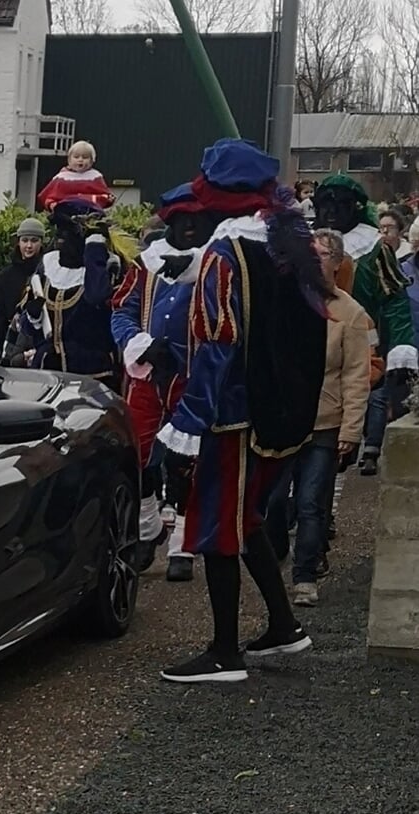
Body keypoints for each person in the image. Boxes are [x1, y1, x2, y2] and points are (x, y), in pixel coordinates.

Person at [156, 138, 332, 684]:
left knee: (217, 527)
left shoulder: (226, 255)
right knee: (247, 518)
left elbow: (217, 342)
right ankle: (283, 626)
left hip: (227, 416)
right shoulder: (288, 246)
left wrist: (187, 422)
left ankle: (224, 652)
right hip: (280, 415)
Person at [263, 228, 373, 607]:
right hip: (285, 419)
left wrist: (351, 429)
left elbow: (357, 375)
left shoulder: (351, 314)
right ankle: (275, 557)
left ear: (337, 262)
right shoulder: (285, 303)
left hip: (326, 420)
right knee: (274, 501)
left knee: (311, 502)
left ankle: (305, 575)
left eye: (323, 254)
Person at [110, 182, 213, 582]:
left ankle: (183, 541)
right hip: (147, 375)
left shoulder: (212, 266)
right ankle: (149, 524)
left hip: (193, 377)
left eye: (197, 221)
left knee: (185, 461)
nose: (190, 228)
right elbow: (121, 310)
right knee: (138, 457)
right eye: (182, 220)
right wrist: (139, 343)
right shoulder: (145, 264)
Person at [312, 175, 418, 475]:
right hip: (310, 341)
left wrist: (401, 346)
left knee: (352, 407)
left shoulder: (374, 247)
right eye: (326, 204)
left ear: (355, 208)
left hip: (362, 344)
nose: (331, 212)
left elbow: (395, 300)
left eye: (341, 205)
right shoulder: (305, 244)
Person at [7, 197, 129, 391]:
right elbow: (28, 328)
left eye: (69, 232)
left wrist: (95, 249)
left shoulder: (109, 267)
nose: (61, 238)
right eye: (59, 232)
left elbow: (96, 296)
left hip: (92, 377)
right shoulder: (47, 265)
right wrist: (34, 316)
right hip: (48, 375)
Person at [0, 217, 45, 362]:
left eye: (34, 240)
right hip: (12, 341)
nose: (29, 246)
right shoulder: (6, 275)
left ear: (41, 243)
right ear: (18, 242)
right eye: (25, 240)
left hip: (40, 341)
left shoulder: (48, 272)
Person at [36, 140, 116, 213]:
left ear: (92, 161)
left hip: (90, 212)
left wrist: (107, 199)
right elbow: (47, 196)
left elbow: (105, 196)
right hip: (66, 212)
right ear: (69, 160)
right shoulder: (61, 177)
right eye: (76, 157)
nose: (80, 160)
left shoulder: (95, 176)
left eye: (85, 157)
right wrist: (52, 205)